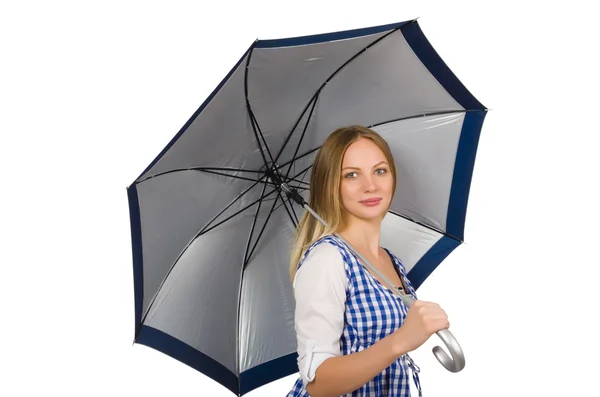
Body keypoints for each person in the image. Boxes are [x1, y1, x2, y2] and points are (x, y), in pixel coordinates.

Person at [286, 125, 450, 397]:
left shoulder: (391, 261)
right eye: (351, 175)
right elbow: (317, 383)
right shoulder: (327, 259)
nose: (370, 185)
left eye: (380, 170)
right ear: (331, 185)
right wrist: (401, 340)